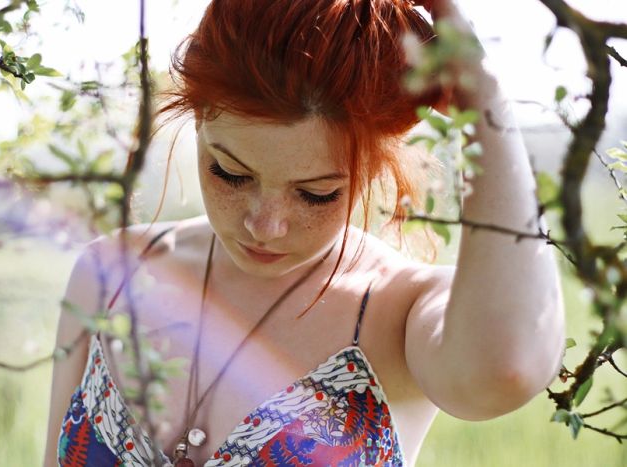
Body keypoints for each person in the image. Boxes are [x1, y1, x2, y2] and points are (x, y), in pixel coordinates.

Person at [43, 0, 565, 466]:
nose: (264, 225)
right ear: (198, 119)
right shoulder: (109, 272)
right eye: (230, 173)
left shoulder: (401, 312)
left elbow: (508, 370)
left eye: (315, 194)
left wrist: (486, 97)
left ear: (373, 169)